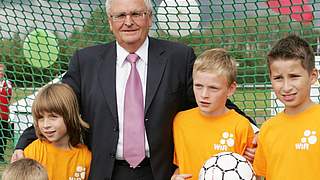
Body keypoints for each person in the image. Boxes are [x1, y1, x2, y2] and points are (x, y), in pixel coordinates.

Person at [12, 0, 257, 179]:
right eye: (119, 15)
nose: (128, 21)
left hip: (161, 172)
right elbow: (58, 104)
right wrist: (24, 143)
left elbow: (214, 97)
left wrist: (254, 131)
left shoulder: (178, 57)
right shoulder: (85, 61)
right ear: (109, 22)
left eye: (136, 14)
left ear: (149, 18)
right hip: (104, 172)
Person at [171, 48, 255, 180]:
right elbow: (180, 166)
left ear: (231, 89)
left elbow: (251, 173)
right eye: (198, 86)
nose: (204, 95)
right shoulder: (180, 121)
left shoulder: (241, 126)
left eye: (213, 88)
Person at [253, 35, 320, 180]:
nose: (286, 87)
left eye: (294, 76)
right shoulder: (267, 129)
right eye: (278, 78)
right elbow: (260, 175)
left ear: (313, 76)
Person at [23, 83, 91, 180]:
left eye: (53, 117)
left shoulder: (86, 158)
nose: (46, 125)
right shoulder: (33, 152)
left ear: (70, 116)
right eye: (41, 118)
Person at [0, 63, 13, 162]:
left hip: (3, 114)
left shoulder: (7, 83)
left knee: (2, 135)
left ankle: (1, 155)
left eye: (1, 71)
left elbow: (8, 97)